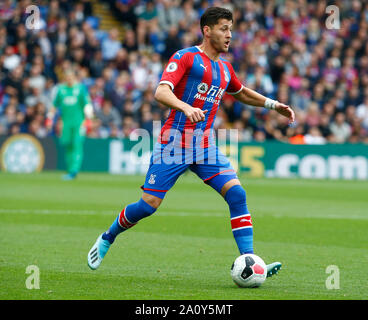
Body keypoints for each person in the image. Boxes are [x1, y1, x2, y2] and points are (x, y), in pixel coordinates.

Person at [87, 7, 295, 278]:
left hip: (205, 144)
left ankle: (249, 261)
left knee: (237, 194)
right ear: (207, 31)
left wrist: (273, 104)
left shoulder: (224, 67)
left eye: (231, 29)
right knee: (148, 205)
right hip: (175, 141)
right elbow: (161, 91)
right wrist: (185, 107)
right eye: (223, 29)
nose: (229, 35)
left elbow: (240, 92)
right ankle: (108, 237)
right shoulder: (185, 58)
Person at [51, 69, 93, 180]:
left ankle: (74, 170)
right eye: (67, 76)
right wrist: (49, 118)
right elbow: (54, 105)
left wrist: (89, 119)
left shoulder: (80, 88)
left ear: (74, 77)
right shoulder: (61, 89)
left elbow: (87, 104)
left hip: (79, 123)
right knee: (68, 145)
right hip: (66, 123)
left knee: (77, 145)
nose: (69, 79)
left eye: (71, 76)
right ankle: (70, 170)